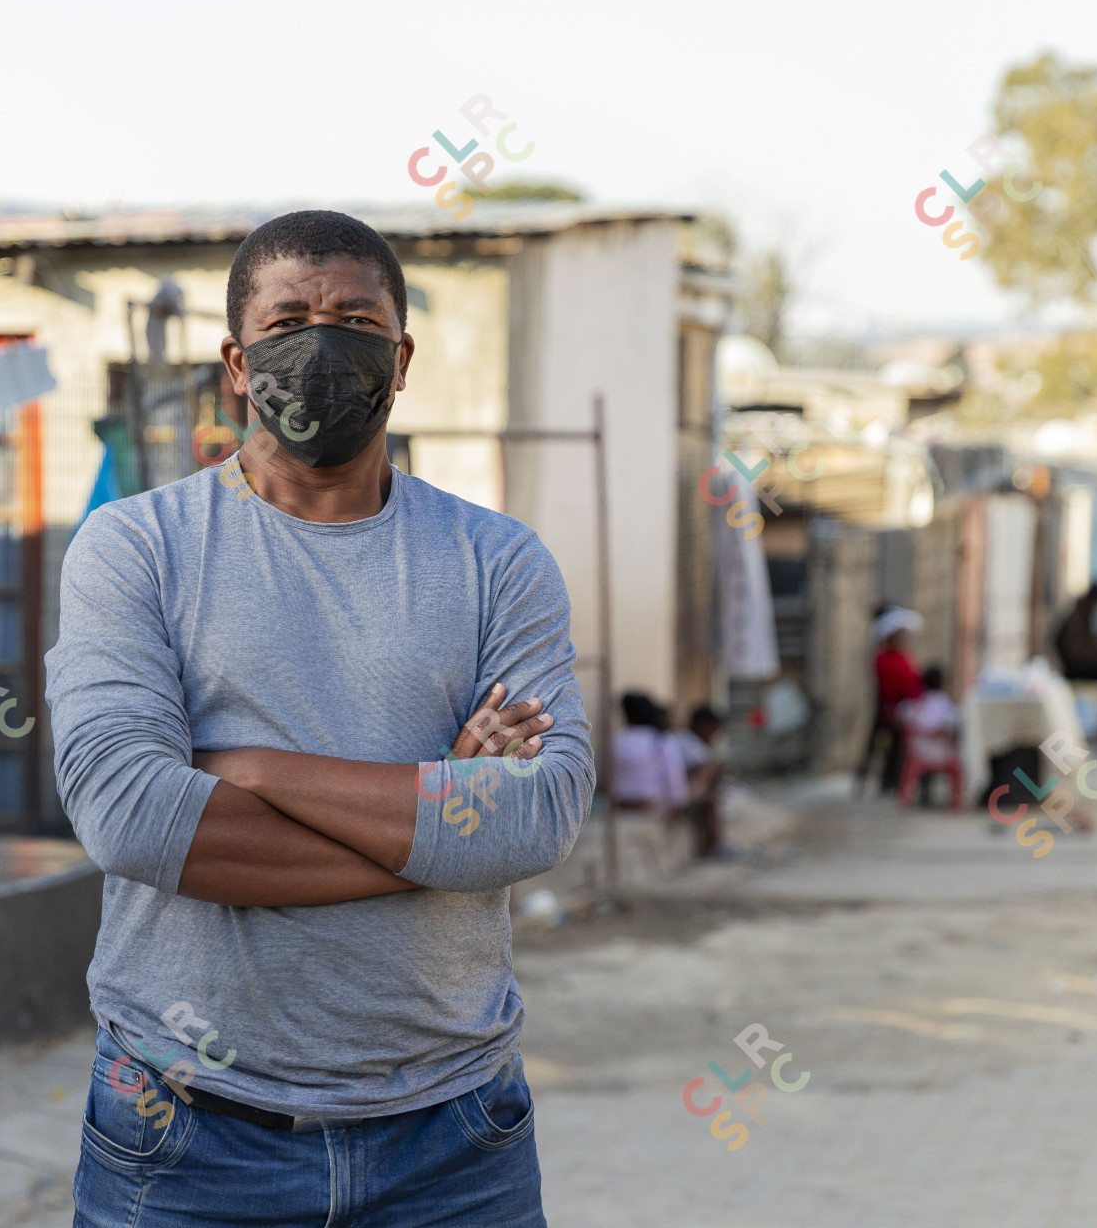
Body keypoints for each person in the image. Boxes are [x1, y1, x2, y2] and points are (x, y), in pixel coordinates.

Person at [46, 210, 592, 1228]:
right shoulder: (137, 549)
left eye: (356, 320)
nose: (323, 342)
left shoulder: (498, 561)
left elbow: (537, 815)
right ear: (237, 363)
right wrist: (442, 821)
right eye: (289, 321)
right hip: (188, 1132)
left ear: (402, 357)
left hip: (454, 1139)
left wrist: (247, 768)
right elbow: (133, 819)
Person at [862, 607, 925, 795]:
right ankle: (883, 781)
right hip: (889, 707)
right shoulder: (883, 658)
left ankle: (895, 781)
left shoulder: (903, 655)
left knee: (900, 748)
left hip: (906, 708)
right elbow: (892, 685)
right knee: (883, 746)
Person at [894, 666, 961, 810]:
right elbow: (953, 725)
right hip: (942, 754)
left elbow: (901, 715)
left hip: (917, 750)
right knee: (959, 762)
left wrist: (919, 730)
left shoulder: (914, 703)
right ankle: (955, 803)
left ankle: (904, 800)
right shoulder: (946, 705)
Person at [612, 692, 689, 817]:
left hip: (620, 805)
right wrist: (678, 803)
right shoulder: (661, 739)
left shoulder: (617, 740)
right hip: (651, 806)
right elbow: (674, 775)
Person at [671, 706, 730, 857]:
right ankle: (713, 846)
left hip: (684, 791)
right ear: (703, 726)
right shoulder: (690, 743)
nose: (713, 737)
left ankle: (714, 845)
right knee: (711, 776)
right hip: (682, 794)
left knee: (710, 797)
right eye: (712, 732)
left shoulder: (685, 740)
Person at [1054, 583, 1097, 683]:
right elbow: (1078, 652)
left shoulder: (1084, 616)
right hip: (1075, 668)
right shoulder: (1076, 619)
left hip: (1079, 664)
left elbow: (1091, 642)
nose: (1096, 607)